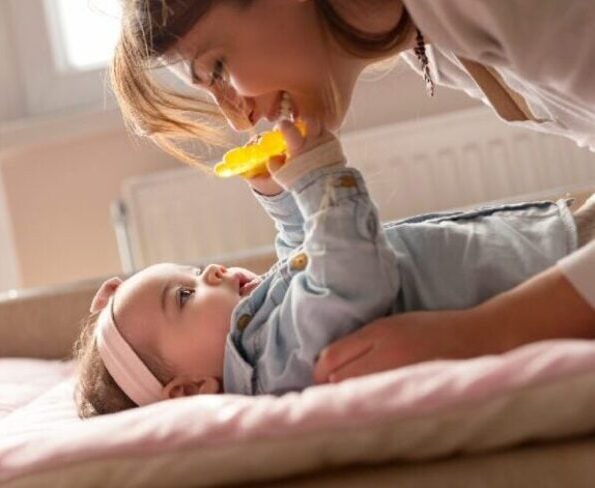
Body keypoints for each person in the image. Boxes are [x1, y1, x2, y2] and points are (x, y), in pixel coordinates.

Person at [109, 0, 595, 385]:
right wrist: (288, 199)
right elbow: (313, 264)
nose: (240, 118)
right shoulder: (432, 42)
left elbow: (336, 274)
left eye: (217, 68)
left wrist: (484, 333)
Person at [73, 120, 594, 416]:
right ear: (188, 390)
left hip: (533, 245)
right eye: (183, 295)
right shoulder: (277, 366)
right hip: (545, 272)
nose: (207, 271)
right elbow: (348, 275)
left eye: (191, 269)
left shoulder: (263, 338)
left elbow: (306, 254)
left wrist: (275, 191)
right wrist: (320, 176)